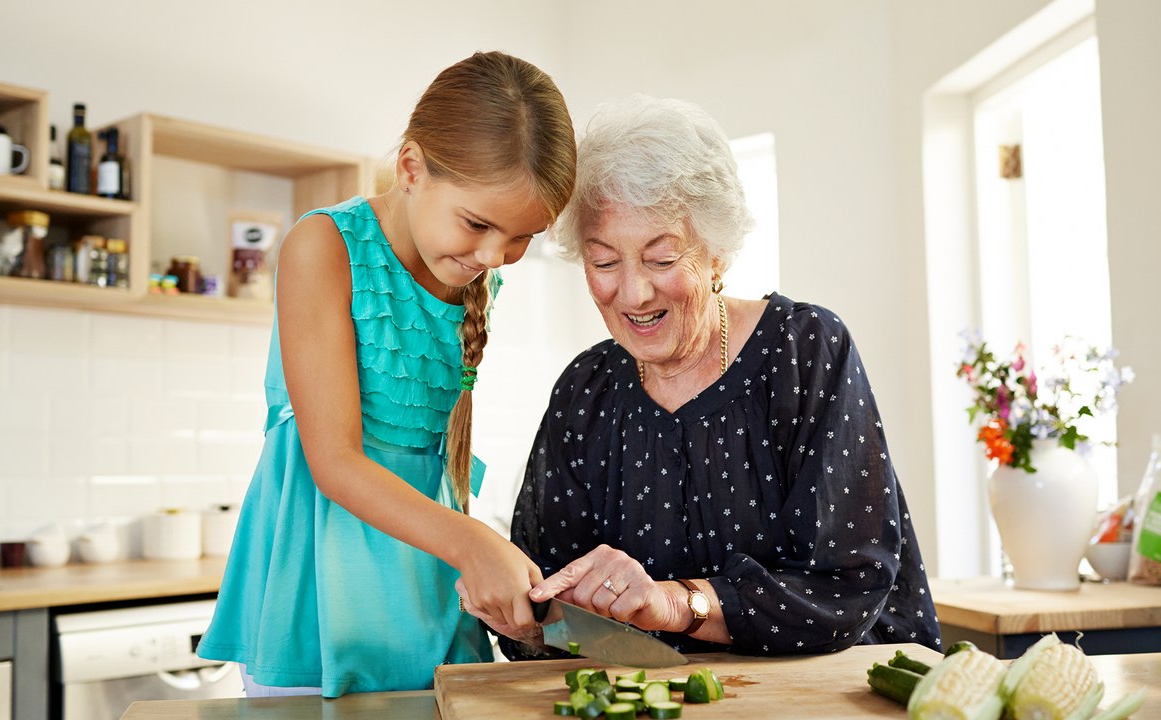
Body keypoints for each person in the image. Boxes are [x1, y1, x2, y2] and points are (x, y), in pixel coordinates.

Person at [473, 95, 939, 658]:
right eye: (604, 262)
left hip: (833, 689)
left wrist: (677, 603)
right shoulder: (584, 392)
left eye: (662, 259)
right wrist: (533, 617)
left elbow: (848, 582)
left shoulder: (804, 350)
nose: (635, 292)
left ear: (717, 255)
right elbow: (547, 600)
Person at [197, 51, 577, 697]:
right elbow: (336, 462)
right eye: (478, 223)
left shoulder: (472, 271)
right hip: (321, 573)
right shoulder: (323, 245)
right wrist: (476, 545)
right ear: (411, 166)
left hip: (425, 574)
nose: (494, 256)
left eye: (522, 238)